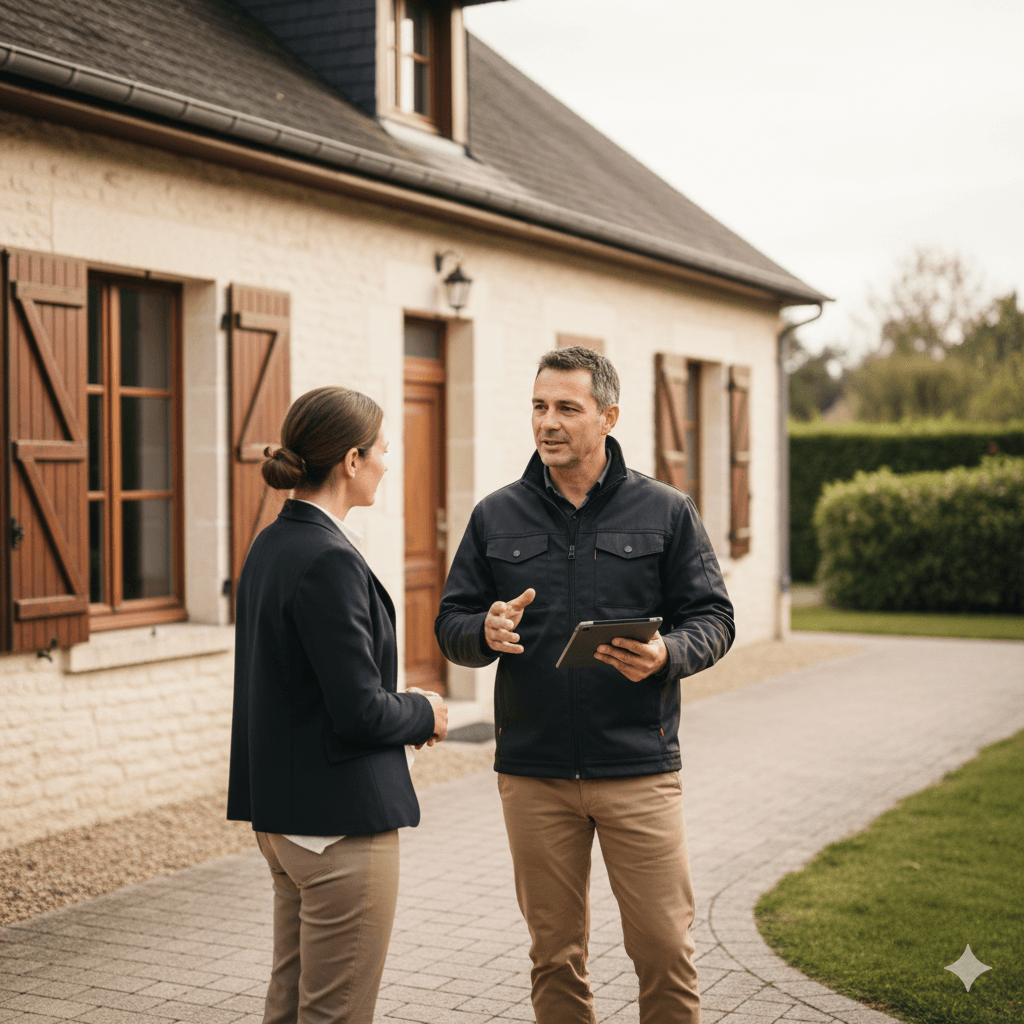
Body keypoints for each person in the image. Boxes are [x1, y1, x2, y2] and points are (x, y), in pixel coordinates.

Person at [435, 346, 734, 1024]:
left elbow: (714, 617)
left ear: (609, 417)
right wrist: (483, 630)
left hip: (638, 766)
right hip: (533, 771)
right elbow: (450, 621)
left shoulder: (666, 510)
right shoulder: (495, 515)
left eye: (567, 408)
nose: (548, 422)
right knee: (555, 956)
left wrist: (668, 652)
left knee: (664, 948)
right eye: (539, 406)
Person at [227, 386, 448, 1024]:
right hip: (338, 825)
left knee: (291, 1006)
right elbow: (359, 711)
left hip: (285, 819)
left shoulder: (272, 544)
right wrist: (425, 711)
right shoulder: (327, 558)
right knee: (335, 1013)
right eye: (382, 449)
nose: (387, 460)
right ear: (350, 461)